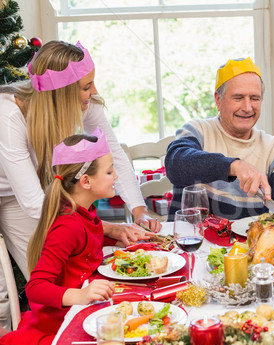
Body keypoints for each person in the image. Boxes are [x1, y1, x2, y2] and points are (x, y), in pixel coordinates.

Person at [0, 41, 157, 276]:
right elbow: (34, 203)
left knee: (48, 274)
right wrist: (108, 228)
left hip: (22, 195)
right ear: (62, 94)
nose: (94, 91)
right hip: (21, 194)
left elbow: (114, 155)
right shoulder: (8, 116)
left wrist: (139, 209)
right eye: (87, 86)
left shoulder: (86, 103)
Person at [0, 129, 116, 345]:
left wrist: (119, 237)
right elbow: (36, 287)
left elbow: (85, 245)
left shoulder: (85, 213)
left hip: (80, 314)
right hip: (59, 324)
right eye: (110, 171)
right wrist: (81, 294)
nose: (116, 176)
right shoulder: (67, 227)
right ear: (86, 181)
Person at [165, 57, 274, 220]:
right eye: (238, 98)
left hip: (248, 244)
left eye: (254, 98)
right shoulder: (198, 130)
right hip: (190, 240)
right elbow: (175, 164)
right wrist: (233, 166)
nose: (248, 108)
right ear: (218, 100)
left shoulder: (273, 148)